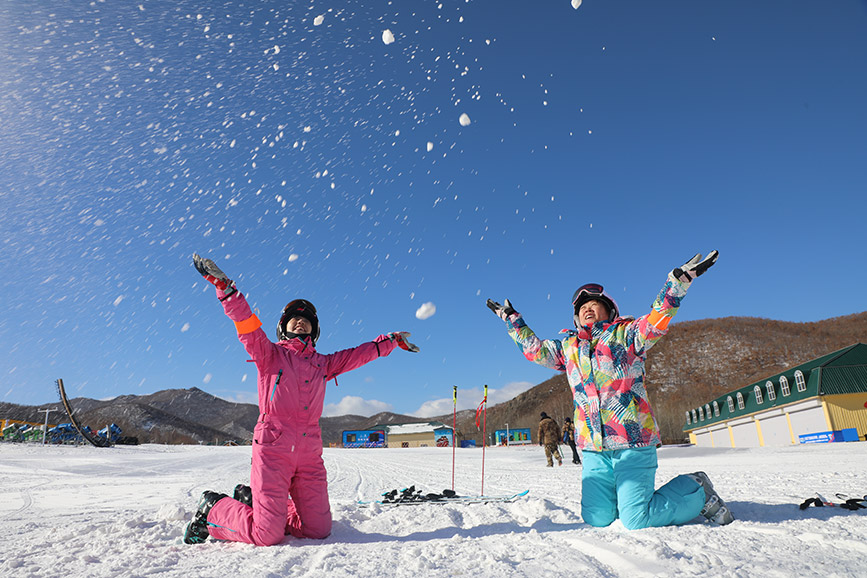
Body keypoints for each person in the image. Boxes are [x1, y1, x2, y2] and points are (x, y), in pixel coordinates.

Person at [184, 254, 420, 546]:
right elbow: (246, 323)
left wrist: (392, 341)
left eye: (306, 321)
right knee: (267, 535)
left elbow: (358, 354)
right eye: (294, 319)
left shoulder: (323, 363)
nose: (300, 322)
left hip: (309, 453)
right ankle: (214, 508)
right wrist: (227, 290)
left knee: (317, 530)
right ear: (283, 327)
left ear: (314, 330)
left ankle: (252, 501)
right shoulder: (268, 354)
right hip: (273, 450)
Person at [487, 251, 734, 528]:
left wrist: (678, 282)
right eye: (581, 308)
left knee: (636, 520)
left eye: (593, 303)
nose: (587, 308)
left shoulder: (627, 335)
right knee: (597, 518)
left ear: (610, 310)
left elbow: (657, 320)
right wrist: (512, 319)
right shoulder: (569, 348)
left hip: (633, 440)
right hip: (592, 446)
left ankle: (697, 489)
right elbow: (535, 351)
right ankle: (629, 499)